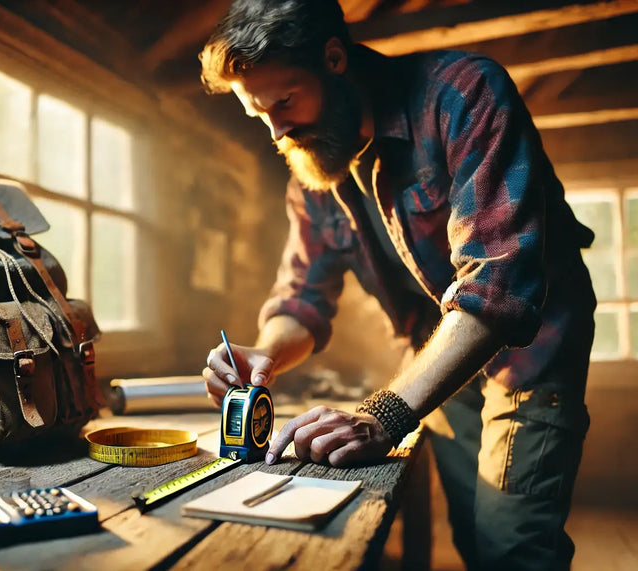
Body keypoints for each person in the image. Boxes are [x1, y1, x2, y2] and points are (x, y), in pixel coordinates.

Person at [198, 1, 596, 569]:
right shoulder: (312, 164)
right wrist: (267, 351)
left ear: (334, 58)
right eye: (259, 115)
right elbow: (303, 299)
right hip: (436, 358)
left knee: (512, 544)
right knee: (473, 538)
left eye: (283, 103)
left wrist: (384, 414)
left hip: (532, 351)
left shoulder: (464, 94)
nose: (277, 131)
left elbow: (498, 284)